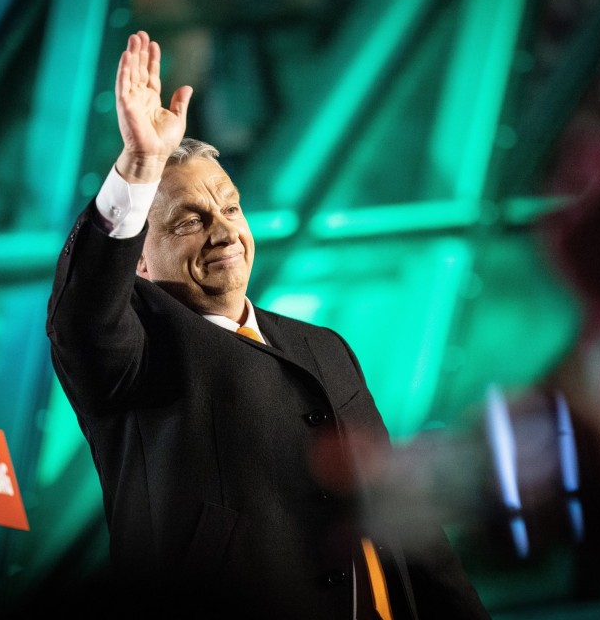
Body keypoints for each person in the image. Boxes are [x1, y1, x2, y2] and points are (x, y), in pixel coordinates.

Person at [46, 30, 490, 619]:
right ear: (141, 262)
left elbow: (405, 518)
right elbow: (82, 317)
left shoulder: (322, 347)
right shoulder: (135, 354)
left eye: (230, 206)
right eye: (189, 221)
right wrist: (140, 164)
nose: (225, 230)